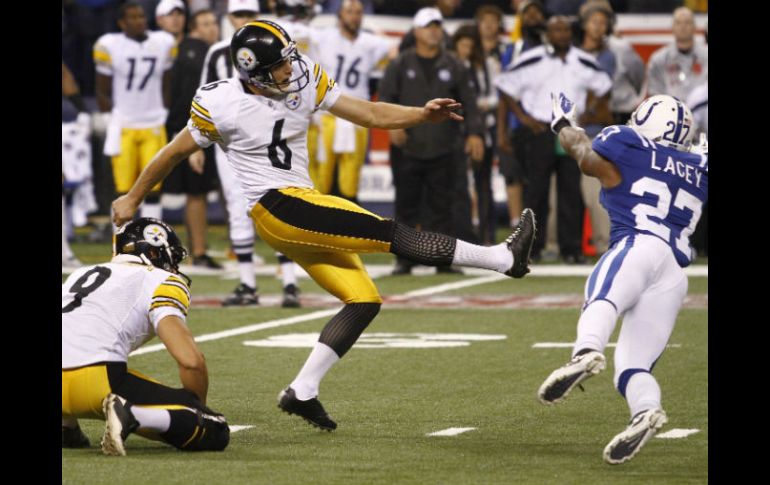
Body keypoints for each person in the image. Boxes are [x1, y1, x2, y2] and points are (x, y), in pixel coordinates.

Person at [113, 20, 537, 431]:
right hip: (277, 206)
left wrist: (420, 116)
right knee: (389, 232)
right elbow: (172, 152)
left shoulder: (302, 75)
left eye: (289, 58)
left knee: (364, 300)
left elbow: (369, 112)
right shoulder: (218, 102)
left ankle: (302, 389)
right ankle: (502, 259)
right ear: (253, 74)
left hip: (303, 202)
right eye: (278, 65)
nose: (290, 69)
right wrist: (133, 196)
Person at [537, 92, 708, 464]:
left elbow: (584, 157)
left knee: (602, 299)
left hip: (638, 245)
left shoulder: (628, 143)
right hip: (675, 275)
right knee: (633, 366)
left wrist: (563, 123)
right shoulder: (699, 165)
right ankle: (646, 411)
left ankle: (585, 352)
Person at [62, 218, 230, 455]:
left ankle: (66, 426)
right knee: (215, 428)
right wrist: (195, 411)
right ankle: (132, 415)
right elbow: (191, 362)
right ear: (155, 251)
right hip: (95, 381)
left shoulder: (79, 274)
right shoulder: (162, 280)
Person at [201, 0, 301, 307]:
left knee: (280, 202)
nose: (243, 19)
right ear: (229, 16)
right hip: (228, 142)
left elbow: (292, 89)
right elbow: (203, 96)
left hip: (267, 137)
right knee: (237, 208)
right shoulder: (218, 52)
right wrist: (197, 143)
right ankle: (248, 282)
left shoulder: (274, 46)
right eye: (238, 14)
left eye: (248, 14)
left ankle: (290, 281)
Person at [94, 1, 177, 223]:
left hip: (153, 123)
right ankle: (119, 243)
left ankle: (150, 240)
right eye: (133, 17)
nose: (139, 21)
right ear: (121, 22)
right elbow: (102, 89)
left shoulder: (163, 42)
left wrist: (163, 112)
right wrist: (108, 118)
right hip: (124, 125)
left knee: (154, 186)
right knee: (122, 189)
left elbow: (167, 83)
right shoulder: (109, 44)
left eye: (141, 16)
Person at [308, 0, 394, 203]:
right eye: (349, 11)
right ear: (339, 15)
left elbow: (394, 50)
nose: (354, 16)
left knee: (350, 181)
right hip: (326, 114)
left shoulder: (370, 41)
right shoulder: (323, 37)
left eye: (358, 12)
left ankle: (347, 224)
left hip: (357, 115)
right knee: (321, 179)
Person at [163, 8, 223, 269]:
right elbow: (187, 99)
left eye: (214, 22)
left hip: (205, 131)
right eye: (206, 24)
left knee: (208, 191)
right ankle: (199, 251)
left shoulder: (207, 51)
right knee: (196, 192)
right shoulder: (195, 53)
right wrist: (191, 139)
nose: (212, 28)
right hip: (195, 131)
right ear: (195, 29)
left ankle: (207, 248)